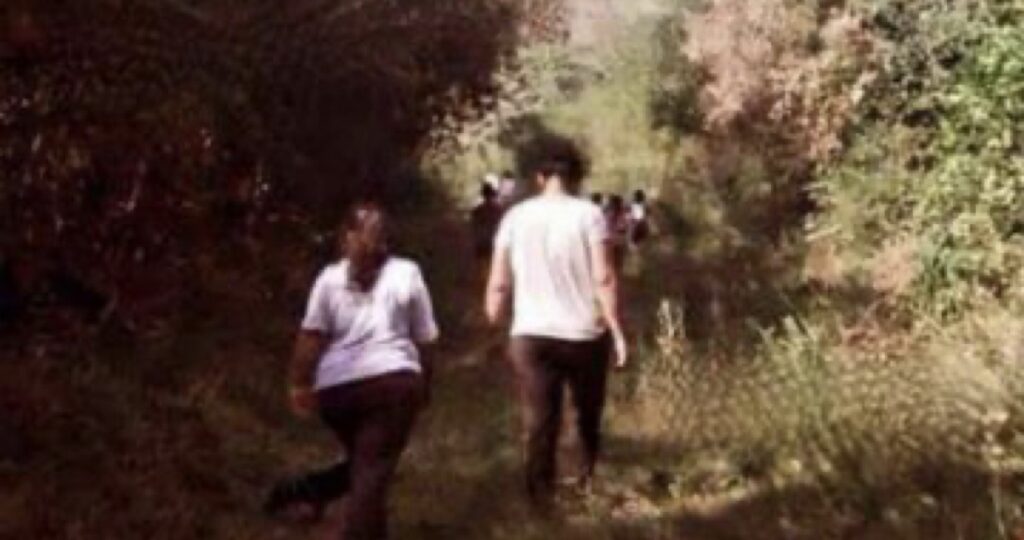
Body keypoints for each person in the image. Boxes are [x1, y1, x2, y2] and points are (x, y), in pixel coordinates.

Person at [275, 203, 439, 539]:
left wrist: (299, 384)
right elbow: (426, 339)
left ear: (343, 237)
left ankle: (307, 490)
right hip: (394, 386)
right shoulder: (407, 273)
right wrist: (426, 383)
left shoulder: (329, 278)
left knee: (368, 462)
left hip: (337, 393)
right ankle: (346, 522)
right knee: (371, 470)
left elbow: (310, 337)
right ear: (386, 239)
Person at [485, 147, 628, 513]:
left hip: (531, 333)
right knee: (587, 411)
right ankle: (585, 481)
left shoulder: (515, 217)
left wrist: (494, 323)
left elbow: (499, 282)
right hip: (583, 333)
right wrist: (616, 328)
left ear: (540, 178)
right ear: (576, 179)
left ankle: (540, 496)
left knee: (540, 417)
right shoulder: (590, 215)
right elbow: (603, 277)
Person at [470, 182, 504, 260]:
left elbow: (474, 227)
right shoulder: (498, 210)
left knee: (482, 263)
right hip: (491, 242)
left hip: (482, 242)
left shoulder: (478, 210)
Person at [604, 194, 629, 270]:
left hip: (610, 242)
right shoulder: (622, 214)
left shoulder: (607, 214)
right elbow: (623, 228)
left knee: (610, 264)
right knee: (617, 264)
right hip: (618, 241)